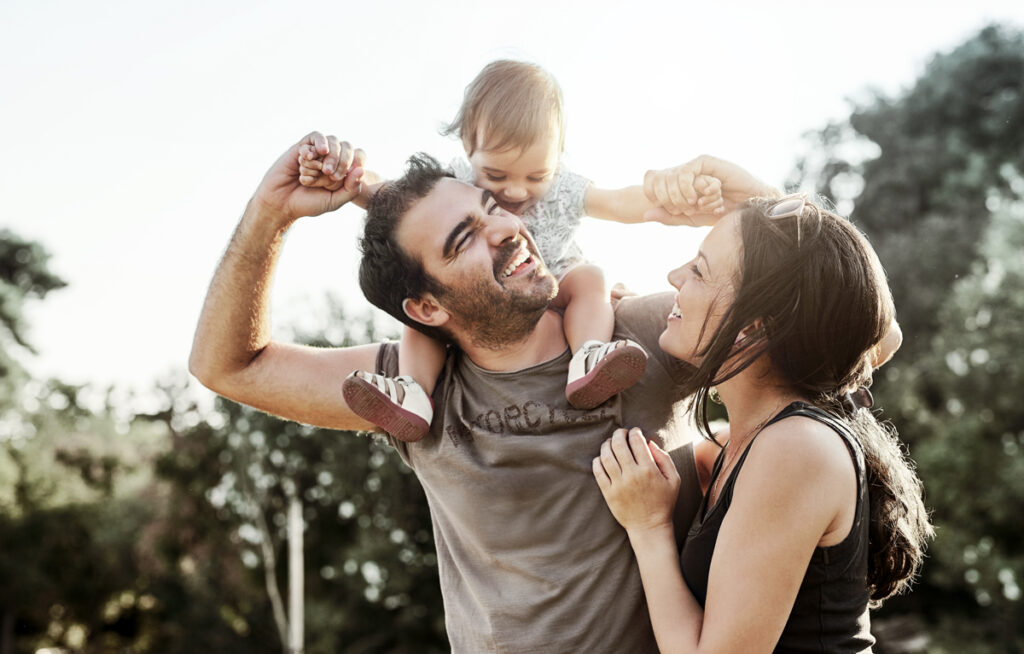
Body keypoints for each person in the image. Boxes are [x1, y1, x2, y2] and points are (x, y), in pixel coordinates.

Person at [190, 131, 730, 653]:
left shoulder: (644, 336)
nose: (506, 228)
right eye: (464, 239)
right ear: (427, 309)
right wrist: (271, 211)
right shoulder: (410, 394)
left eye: (492, 208)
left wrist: (742, 197)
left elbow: (782, 306)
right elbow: (228, 366)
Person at [593, 159, 933, 653]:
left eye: (699, 270)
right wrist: (769, 213)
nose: (674, 275)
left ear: (753, 326)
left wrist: (649, 527)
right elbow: (872, 330)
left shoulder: (795, 448)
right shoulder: (756, 440)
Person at [297, 59, 723, 441]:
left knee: (590, 279)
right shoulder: (456, 183)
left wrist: (672, 199)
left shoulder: (563, 188)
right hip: (487, 298)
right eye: (497, 176)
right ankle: (413, 392)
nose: (517, 191)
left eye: (536, 176)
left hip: (554, 282)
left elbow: (617, 202)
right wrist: (346, 177)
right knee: (427, 314)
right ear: (469, 148)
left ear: (557, 157)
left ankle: (589, 355)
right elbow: (391, 197)